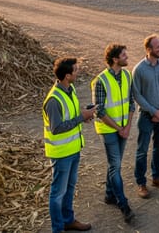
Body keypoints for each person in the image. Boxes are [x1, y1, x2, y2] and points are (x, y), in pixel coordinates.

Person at [43, 57, 96, 233]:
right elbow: (57, 128)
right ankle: (57, 228)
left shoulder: (69, 89)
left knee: (69, 188)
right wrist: (82, 117)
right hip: (61, 154)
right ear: (67, 76)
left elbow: (71, 115)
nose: (78, 72)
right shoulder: (53, 100)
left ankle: (68, 220)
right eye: (76, 70)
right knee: (57, 193)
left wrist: (84, 115)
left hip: (73, 149)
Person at [92, 43, 135, 224]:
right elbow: (99, 111)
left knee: (114, 165)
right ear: (115, 59)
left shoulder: (127, 75)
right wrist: (120, 129)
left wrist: (128, 127)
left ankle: (109, 195)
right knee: (115, 166)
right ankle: (123, 204)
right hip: (109, 130)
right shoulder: (100, 80)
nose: (127, 57)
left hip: (123, 129)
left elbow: (131, 102)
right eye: (124, 55)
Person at [131, 34, 159, 199]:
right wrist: (153, 111)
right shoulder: (139, 69)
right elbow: (137, 94)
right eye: (158, 47)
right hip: (146, 116)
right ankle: (141, 183)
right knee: (142, 150)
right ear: (149, 50)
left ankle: (157, 177)